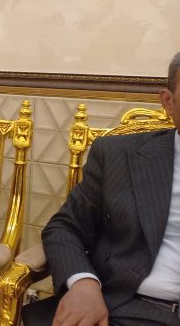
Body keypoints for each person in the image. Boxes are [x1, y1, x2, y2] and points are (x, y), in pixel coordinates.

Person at [22, 52, 180, 326]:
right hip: (125, 307)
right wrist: (83, 284)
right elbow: (64, 228)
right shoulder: (119, 156)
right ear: (168, 101)